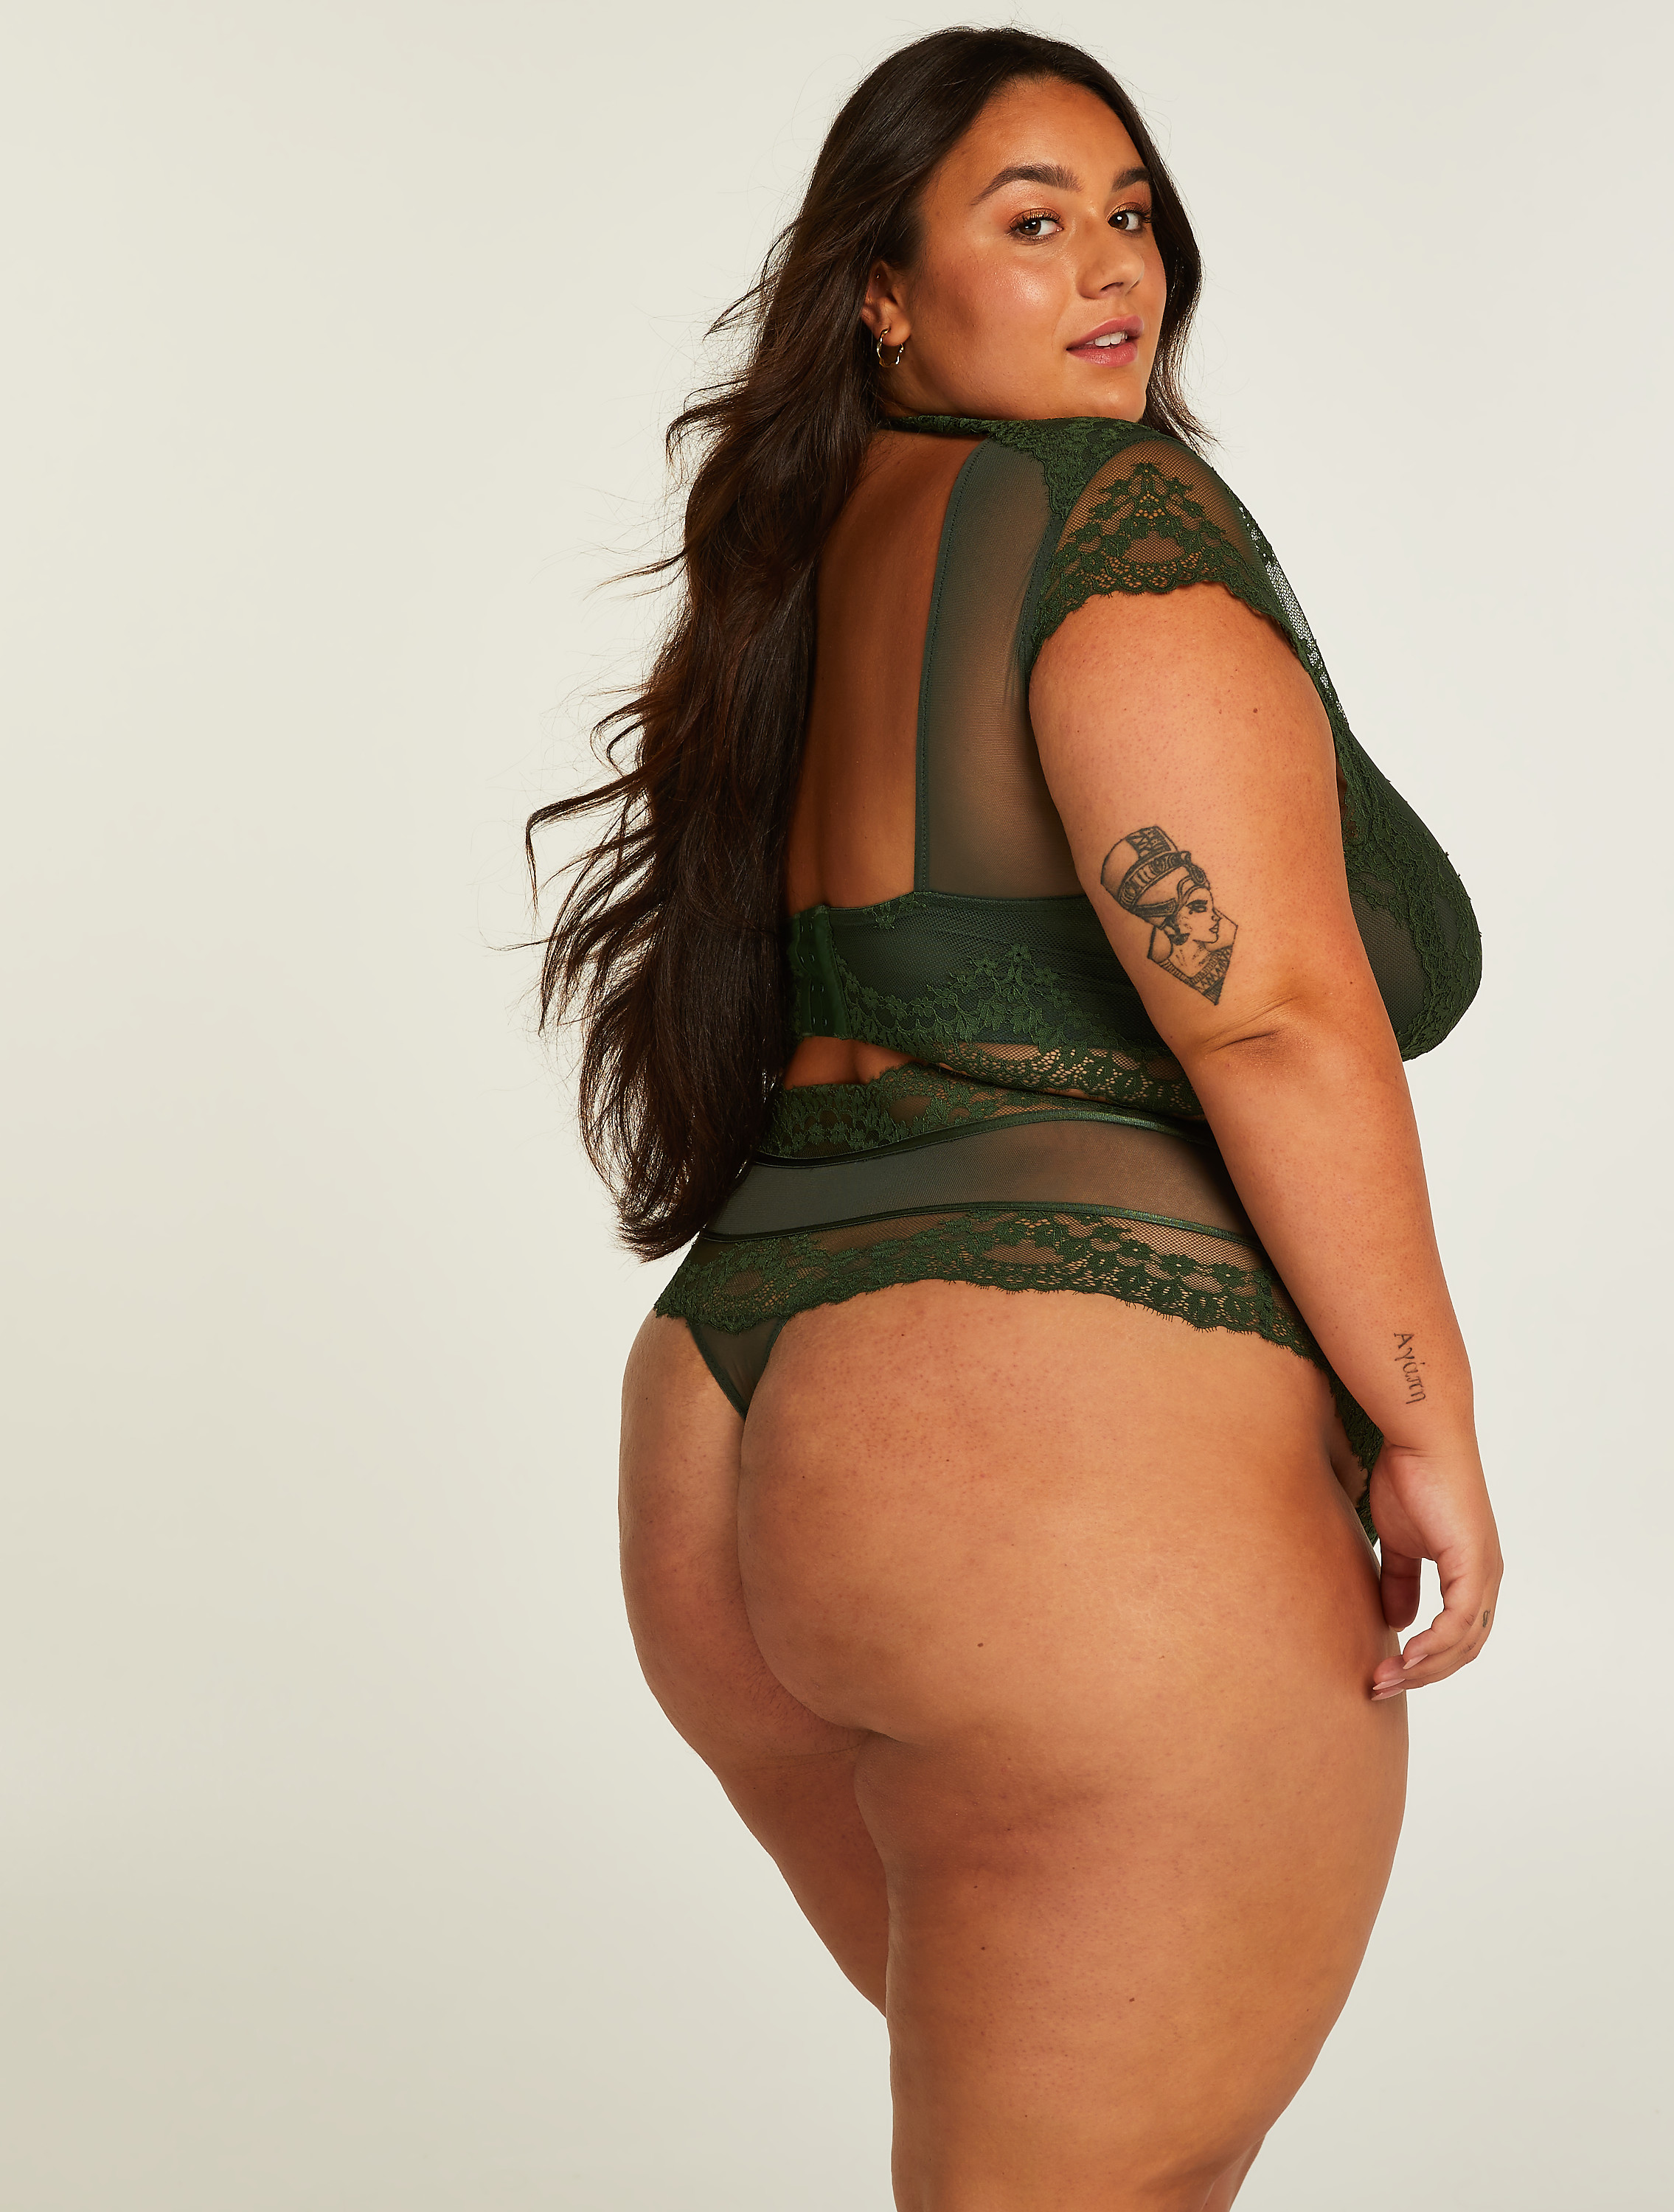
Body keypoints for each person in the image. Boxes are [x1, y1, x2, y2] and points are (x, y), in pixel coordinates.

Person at [530, 27, 1502, 2209]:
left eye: (1130, 215)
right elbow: (1269, 1016)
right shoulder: (1116, 522)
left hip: (740, 1433)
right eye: (1033, 220)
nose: (1110, 269)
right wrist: (1422, 1416)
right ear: (882, 290)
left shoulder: (808, 556)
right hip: (1038, 1472)